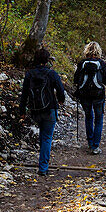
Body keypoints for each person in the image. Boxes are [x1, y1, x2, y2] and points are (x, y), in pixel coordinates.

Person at [19, 47, 65, 176]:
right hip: (49, 108)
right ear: (47, 60)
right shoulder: (51, 73)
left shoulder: (29, 74)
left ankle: (42, 161)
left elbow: (24, 94)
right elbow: (60, 90)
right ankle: (43, 167)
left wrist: (22, 111)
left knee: (42, 135)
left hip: (35, 110)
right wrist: (61, 100)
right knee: (47, 138)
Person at [73, 41, 106, 154]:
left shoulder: (82, 63)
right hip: (98, 95)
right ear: (98, 51)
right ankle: (95, 146)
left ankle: (90, 142)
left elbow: (75, 80)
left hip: (84, 95)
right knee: (99, 119)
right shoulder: (101, 63)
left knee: (89, 117)